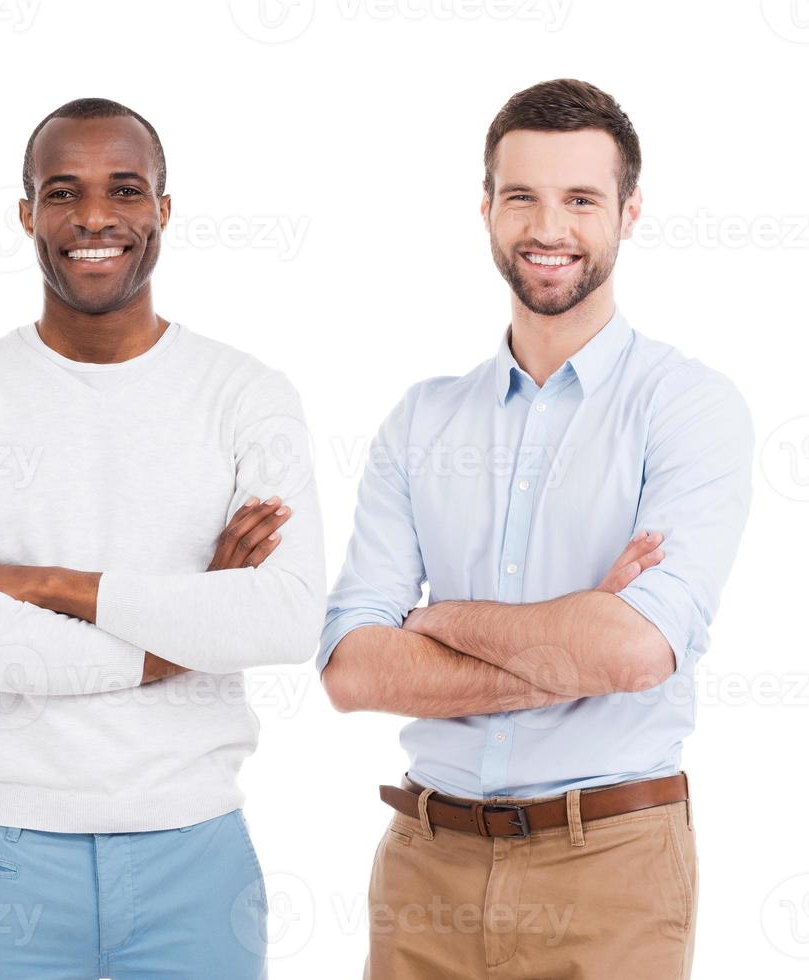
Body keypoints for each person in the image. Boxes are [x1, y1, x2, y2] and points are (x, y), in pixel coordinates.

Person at [0, 97, 326, 979]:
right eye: (62, 193)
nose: (93, 217)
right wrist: (173, 640)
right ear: (25, 216)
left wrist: (52, 585)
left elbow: (281, 618)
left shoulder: (247, 394)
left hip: (195, 855)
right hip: (8, 859)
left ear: (163, 208)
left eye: (124, 189)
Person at [320, 79, 753, 978]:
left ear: (629, 214)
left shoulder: (687, 408)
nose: (547, 227)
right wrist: (571, 632)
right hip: (423, 867)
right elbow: (353, 669)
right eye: (521, 197)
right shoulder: (420, 421)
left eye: (580, 200)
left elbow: (633, 655)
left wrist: (437, 620)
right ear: (485, 208)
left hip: (610, 864)